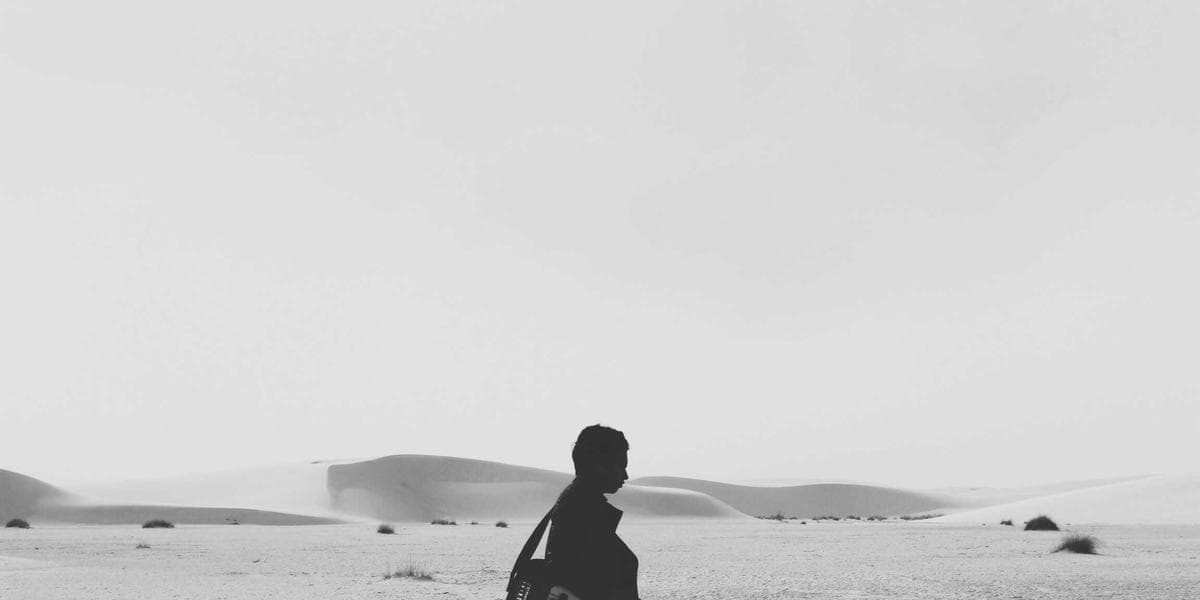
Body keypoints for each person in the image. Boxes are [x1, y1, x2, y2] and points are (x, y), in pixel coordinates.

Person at [546, 424, 640, 600]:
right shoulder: (580, 510)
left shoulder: (580, 504)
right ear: (600, 466)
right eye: (621, 466)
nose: (625, 476)